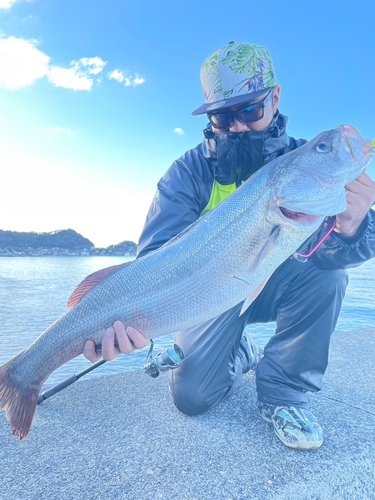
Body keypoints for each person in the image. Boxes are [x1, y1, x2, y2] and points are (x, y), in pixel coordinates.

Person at [84, 42, 375, 449]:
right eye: (222, 116)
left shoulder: (304, 163)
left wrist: (353, 226)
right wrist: (134, 324)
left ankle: (283, 395)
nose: (237, 125)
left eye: (250, 111)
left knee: (330, 277)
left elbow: (344, 255)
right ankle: (240, 350)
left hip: (276, 281)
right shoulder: (187, 173)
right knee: (193, 397)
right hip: (207, 295)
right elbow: (153, 261)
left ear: (274, 98)